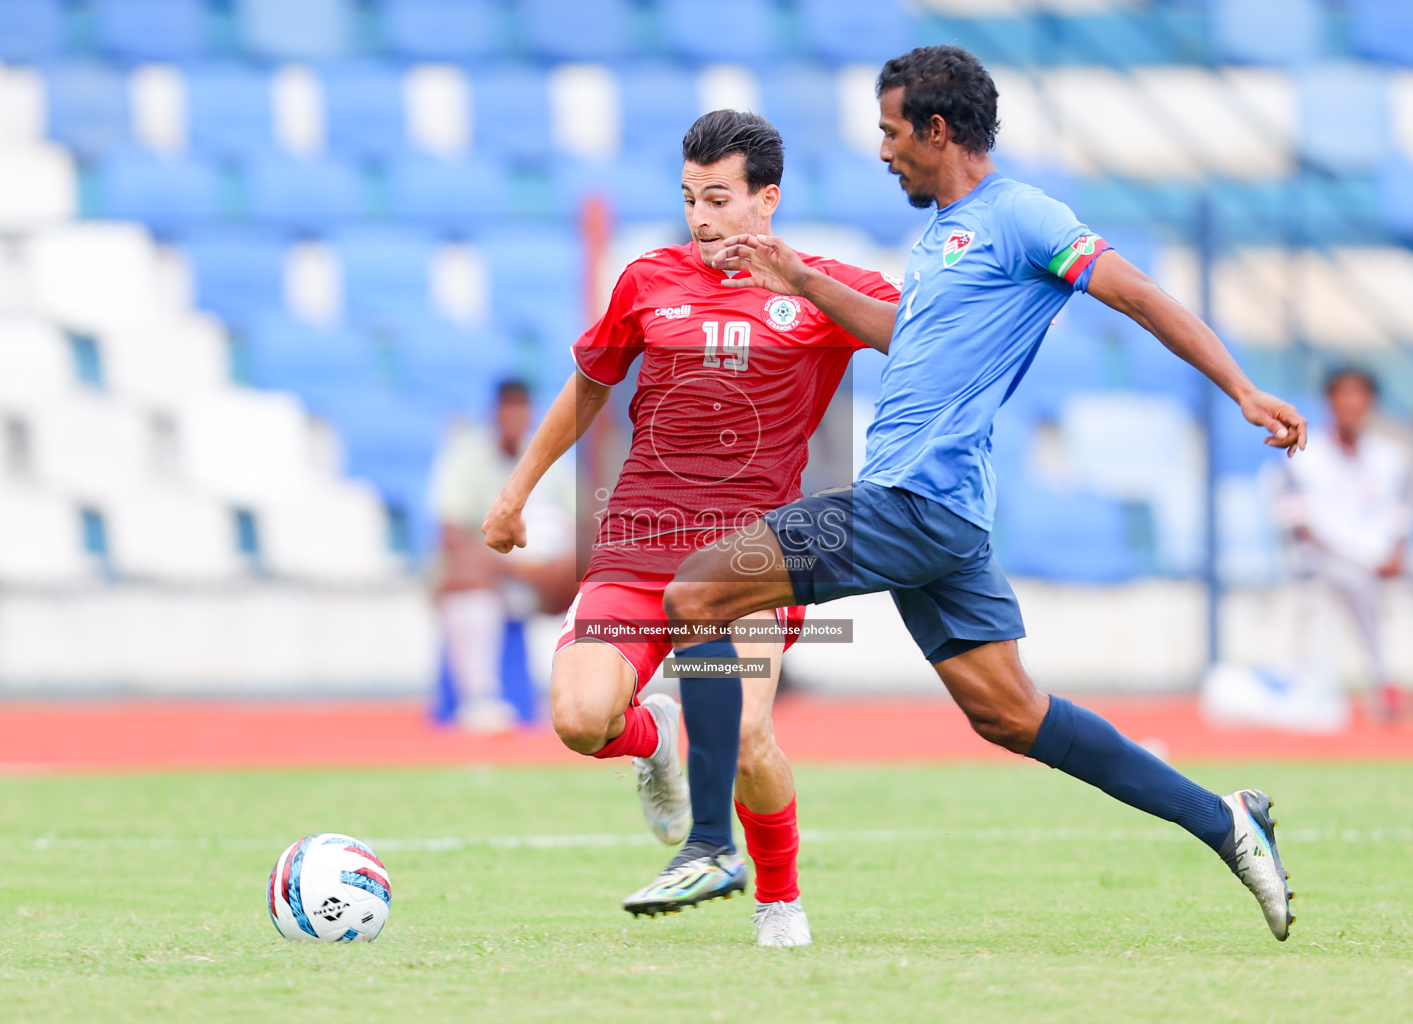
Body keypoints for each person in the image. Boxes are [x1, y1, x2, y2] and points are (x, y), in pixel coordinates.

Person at [654, 46, 1306, 941]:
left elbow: (1140, 294)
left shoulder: (1022, 216)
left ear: (937, 128)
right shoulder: (938, 237)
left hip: (911, 504)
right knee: (1010, 712)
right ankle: (1226, 820)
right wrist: (805, 281)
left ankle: (709, 843)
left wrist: (1242, 388)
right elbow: (906, 340)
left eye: (891, 132)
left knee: (695, 592)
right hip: (945, 515)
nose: (882, 151)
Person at [482, 110, 900, 946]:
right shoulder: (647, 279)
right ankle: (658, 733)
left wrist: (807, 285)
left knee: (745, 733)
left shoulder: (820, 286)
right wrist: (517, 490)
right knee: (577, 717)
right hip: (638, 545)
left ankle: (778, 904)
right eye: (688, 198)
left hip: (746, 560)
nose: (701, 217)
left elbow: (915, 339)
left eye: (717, 198)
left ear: (765, 201)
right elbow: (590, 383)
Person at [1278, 368, 1413, 715]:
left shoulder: (1390, 455)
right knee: (1358, 583)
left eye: (1360, 396)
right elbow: (1302, 527)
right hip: (1330, 560)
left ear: (1371, 403)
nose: (1352, 404)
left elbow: (1403, 514)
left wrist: (1396, 550)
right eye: (1344, 395)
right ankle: (1384, 683)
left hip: (1388, 556)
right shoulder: (1304, 454)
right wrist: (1361, 559)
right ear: (1329, 402)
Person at [430, 379, 575, 731]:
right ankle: (479, 699)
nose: (515, 416)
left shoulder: (552, 456)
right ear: (495, 412)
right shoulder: (466, 454)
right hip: (493, 571)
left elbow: (580, 525)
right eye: (508, 407)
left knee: (600, 570)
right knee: (463, 571)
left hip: (546, 574)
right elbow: (451, 533)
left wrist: (558, 564)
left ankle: (597, 693)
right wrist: (516, 567)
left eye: (522, 407)